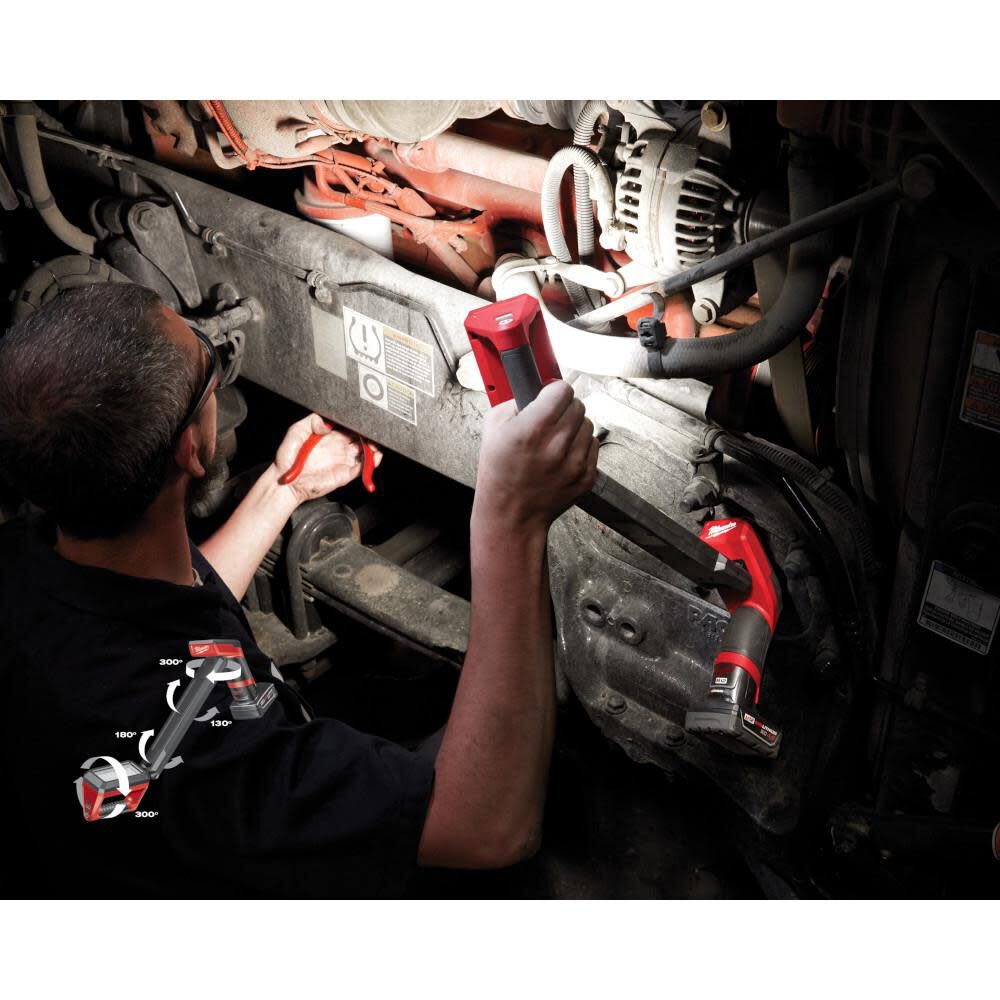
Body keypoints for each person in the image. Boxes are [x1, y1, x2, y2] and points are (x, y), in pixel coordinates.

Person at [0, 282, 597, 898]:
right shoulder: (212, 765)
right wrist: (511, 519)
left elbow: (165, 619)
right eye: (207, 360)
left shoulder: (30, 561)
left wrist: (284, 489)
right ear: (191, 447)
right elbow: (489, 827)